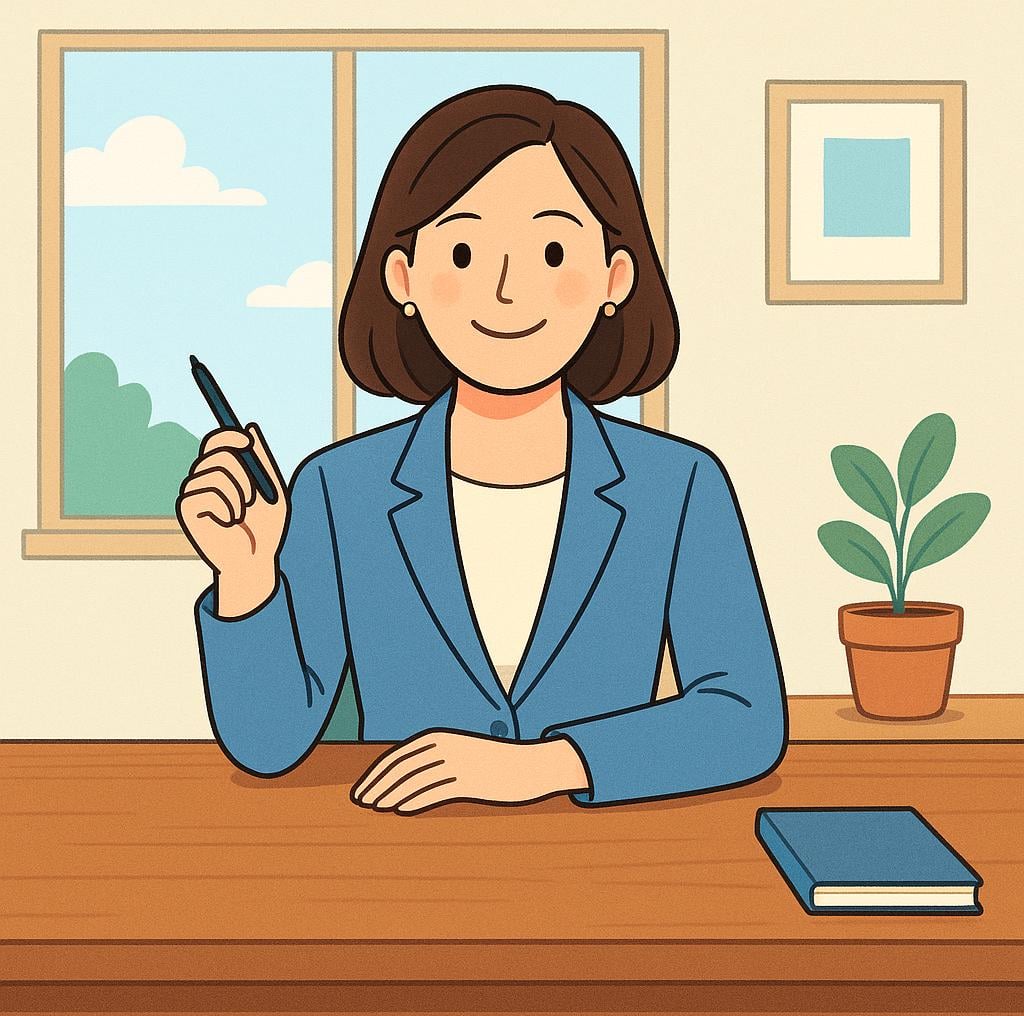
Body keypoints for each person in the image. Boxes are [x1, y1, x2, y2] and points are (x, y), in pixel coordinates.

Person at [178, 85, 786, 814]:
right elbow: (269, 743)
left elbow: (745, 716)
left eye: (553, 251)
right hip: (402, 861)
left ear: (614, 279)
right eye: (463, 250)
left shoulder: (680, 486)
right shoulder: (342, 490)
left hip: (606, 865)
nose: (505, 292)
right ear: (401, 276)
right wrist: (247, 578)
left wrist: (543, 767)